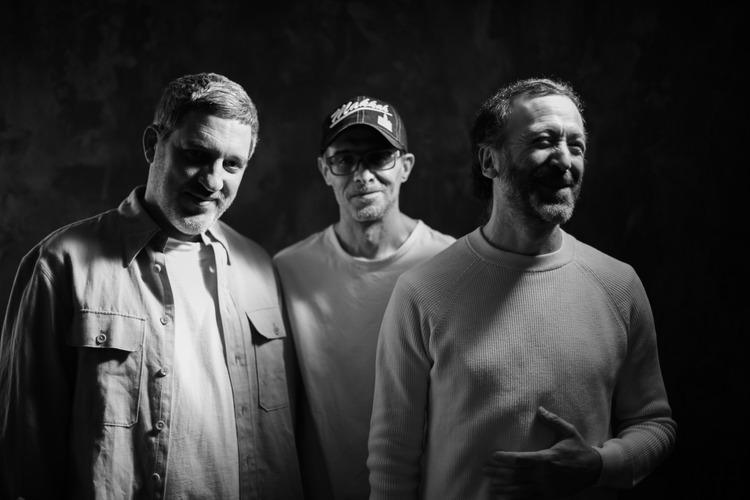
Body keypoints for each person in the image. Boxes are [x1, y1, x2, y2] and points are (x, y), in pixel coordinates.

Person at [367, 78, 677, 499]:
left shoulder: (618, 285)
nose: (564, 159)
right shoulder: (423, 292)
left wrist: (599, 465)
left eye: (576, 145)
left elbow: (654, 424)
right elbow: (392, 458)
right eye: (544, 141)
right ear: (489, 161)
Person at [0, 72, 302, 499]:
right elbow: (26, 455)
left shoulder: (259, 269)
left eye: (232, 164)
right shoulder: (60, 265)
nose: (213, 181)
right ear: (152, 144)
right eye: (197, 154)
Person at [273, 95, 455, 499]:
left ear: (405, 166)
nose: (362, 175)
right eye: (345, 160)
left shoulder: (451, 263)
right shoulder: (289, 271)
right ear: (325, 170)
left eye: (379, 158)